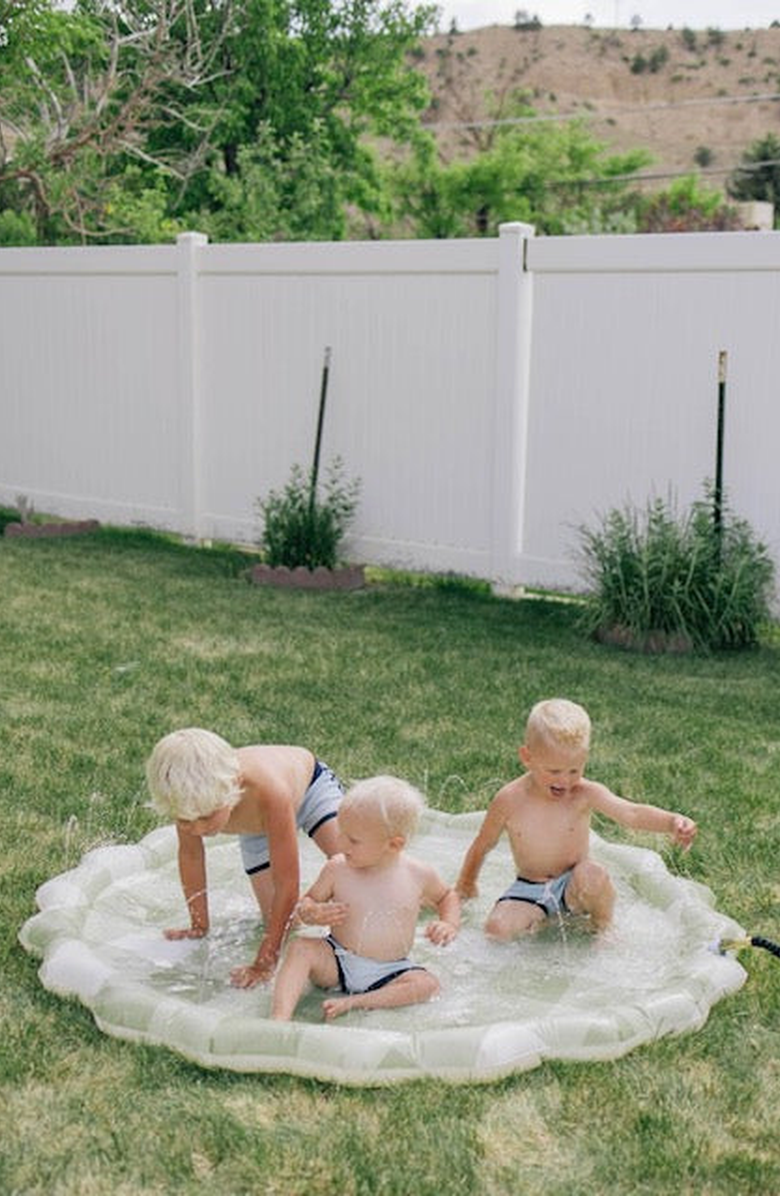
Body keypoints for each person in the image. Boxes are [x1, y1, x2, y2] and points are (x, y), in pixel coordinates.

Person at [456, 698, 697, 939]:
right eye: (554, 771)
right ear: (527, 757)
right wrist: (466, 883)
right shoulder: (509, 799)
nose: (564, 781)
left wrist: (670, 822)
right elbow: (483, 843)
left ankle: (603, 928)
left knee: (594, 875)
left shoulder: (584, 793)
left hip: (574, 885)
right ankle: (542, 920)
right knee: (495, 930)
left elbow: (631, 813)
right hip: (530, 887)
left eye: (574, 770)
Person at [145, 728, 344, 987]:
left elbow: (287, 882)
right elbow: (191, 855)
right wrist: (199, 925)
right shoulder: (187, 796)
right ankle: (313, 906)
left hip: (309, 790)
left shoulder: (268, 789)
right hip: (256, 826)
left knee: (356, 868)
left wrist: (265, 961)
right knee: (285, 922)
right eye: (185, 821)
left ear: (230, 792)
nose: (198, 829)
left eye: (206, 817)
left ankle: (413, 888)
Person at [271, 775, 461, 1021]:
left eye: (353, 840)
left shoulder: (417, 873)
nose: (340, 842)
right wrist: (312, 913)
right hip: (337, 960)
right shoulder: (337, 869)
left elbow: (447, 896)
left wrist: (449, 923)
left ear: (393, 845)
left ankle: (356, 1002)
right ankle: (279, 1018)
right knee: (300, 949)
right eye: (342, 832)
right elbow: (304, 905)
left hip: (391, 969)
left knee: (428, 984)